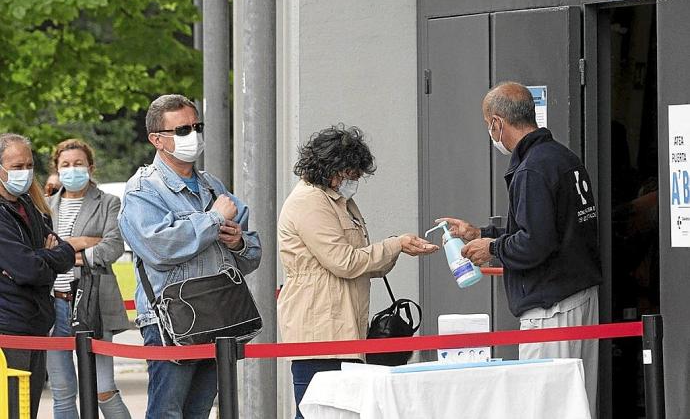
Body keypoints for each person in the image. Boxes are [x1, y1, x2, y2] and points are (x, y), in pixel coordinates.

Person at [437, 82, 602, 416]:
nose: (490, 132)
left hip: (551, 308)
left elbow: (535, 242)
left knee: (546, 407)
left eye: (488, 125)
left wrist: (493, 247)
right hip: (579, 298)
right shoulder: (561, 157)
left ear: (497, 123)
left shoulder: (531, 169)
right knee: (579, 403)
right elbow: (541, 228)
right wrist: (479, 233)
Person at [277, 125, 438, 419]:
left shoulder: (339, 201)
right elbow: (344, 261)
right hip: (320, 332)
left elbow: (359, 260)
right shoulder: (309, 202)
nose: (355, 180)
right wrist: (394, 245)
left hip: (342, 325)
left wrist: (397, 248)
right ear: (331, 169)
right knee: (318, 412)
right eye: (351, 173)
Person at [118, 94, 261, 419]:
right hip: (171, 321)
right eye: (182, 130)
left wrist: (239, 242)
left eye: (197, 126)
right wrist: (212, 220)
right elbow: (159, 249)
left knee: (199, 412)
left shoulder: (212, 186)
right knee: (167, 413)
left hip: (220, 317)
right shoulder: (143, 190)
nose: (193, 136)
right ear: (157, 139)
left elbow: (252, 256)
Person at [46, 138, 131, 418]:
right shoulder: (45, 206)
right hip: (53, 306)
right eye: (66, 165)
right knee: (62, 392)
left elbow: (113, 246)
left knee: (103, 388)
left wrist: (68, 247)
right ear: (57, 169)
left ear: (90, 167)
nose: (72, 169)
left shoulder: (108, 202)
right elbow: (39, 252)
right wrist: (86, 243)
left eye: (78, 164)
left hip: (92, 303)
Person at [0, 133, 76, 419]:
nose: (25, 172)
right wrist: (43, 259)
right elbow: (28, 268)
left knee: (26, 410)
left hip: (35, 325)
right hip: (9, 330)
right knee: (11, 411)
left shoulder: (31, 207)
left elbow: (65, 252)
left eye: (29, 165)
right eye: (17, 166)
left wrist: (41, 259)